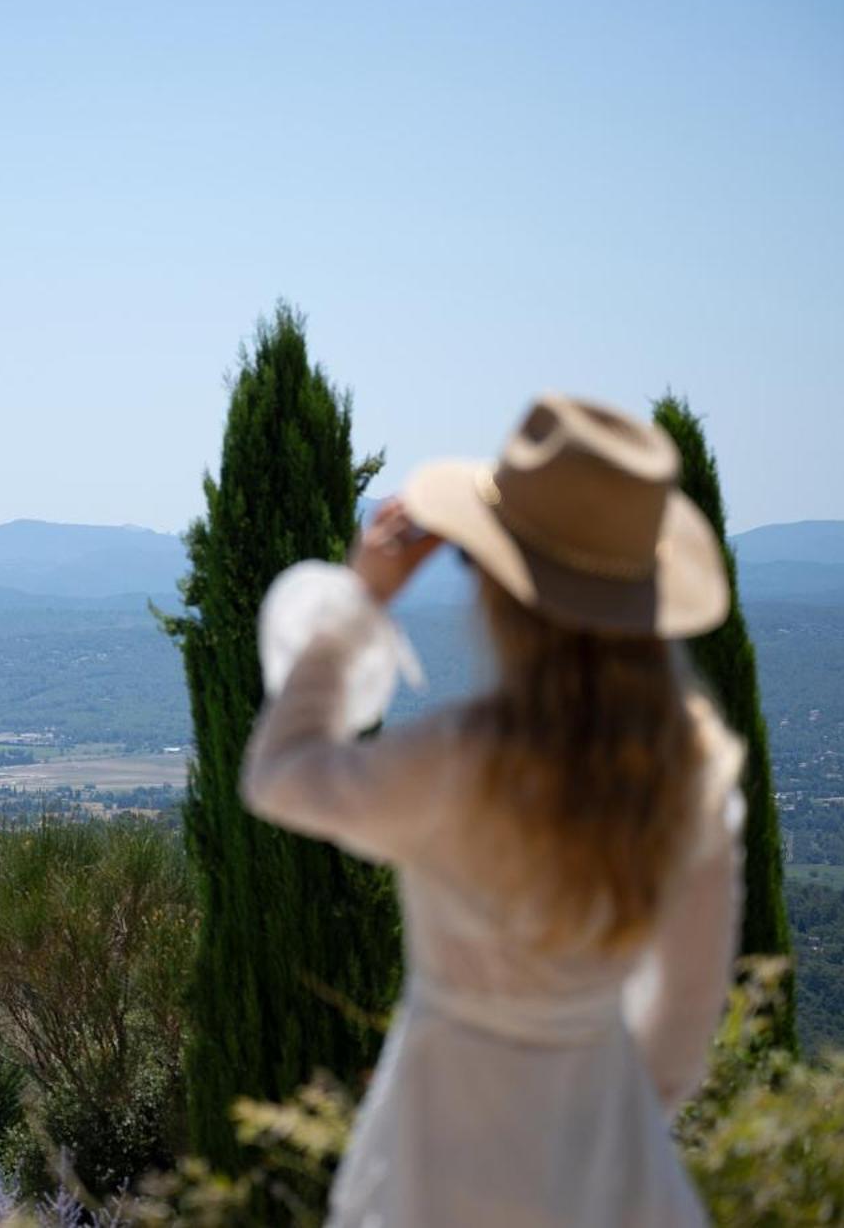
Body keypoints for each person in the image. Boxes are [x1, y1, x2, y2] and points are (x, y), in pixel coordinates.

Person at [244, 393, 744, 1227]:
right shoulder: (696, 782)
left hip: (435, 1167)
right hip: (613, 1176)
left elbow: (281, 773)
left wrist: (362, 597)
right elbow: (677, 1048)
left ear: (507, 595)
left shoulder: (460, 765)